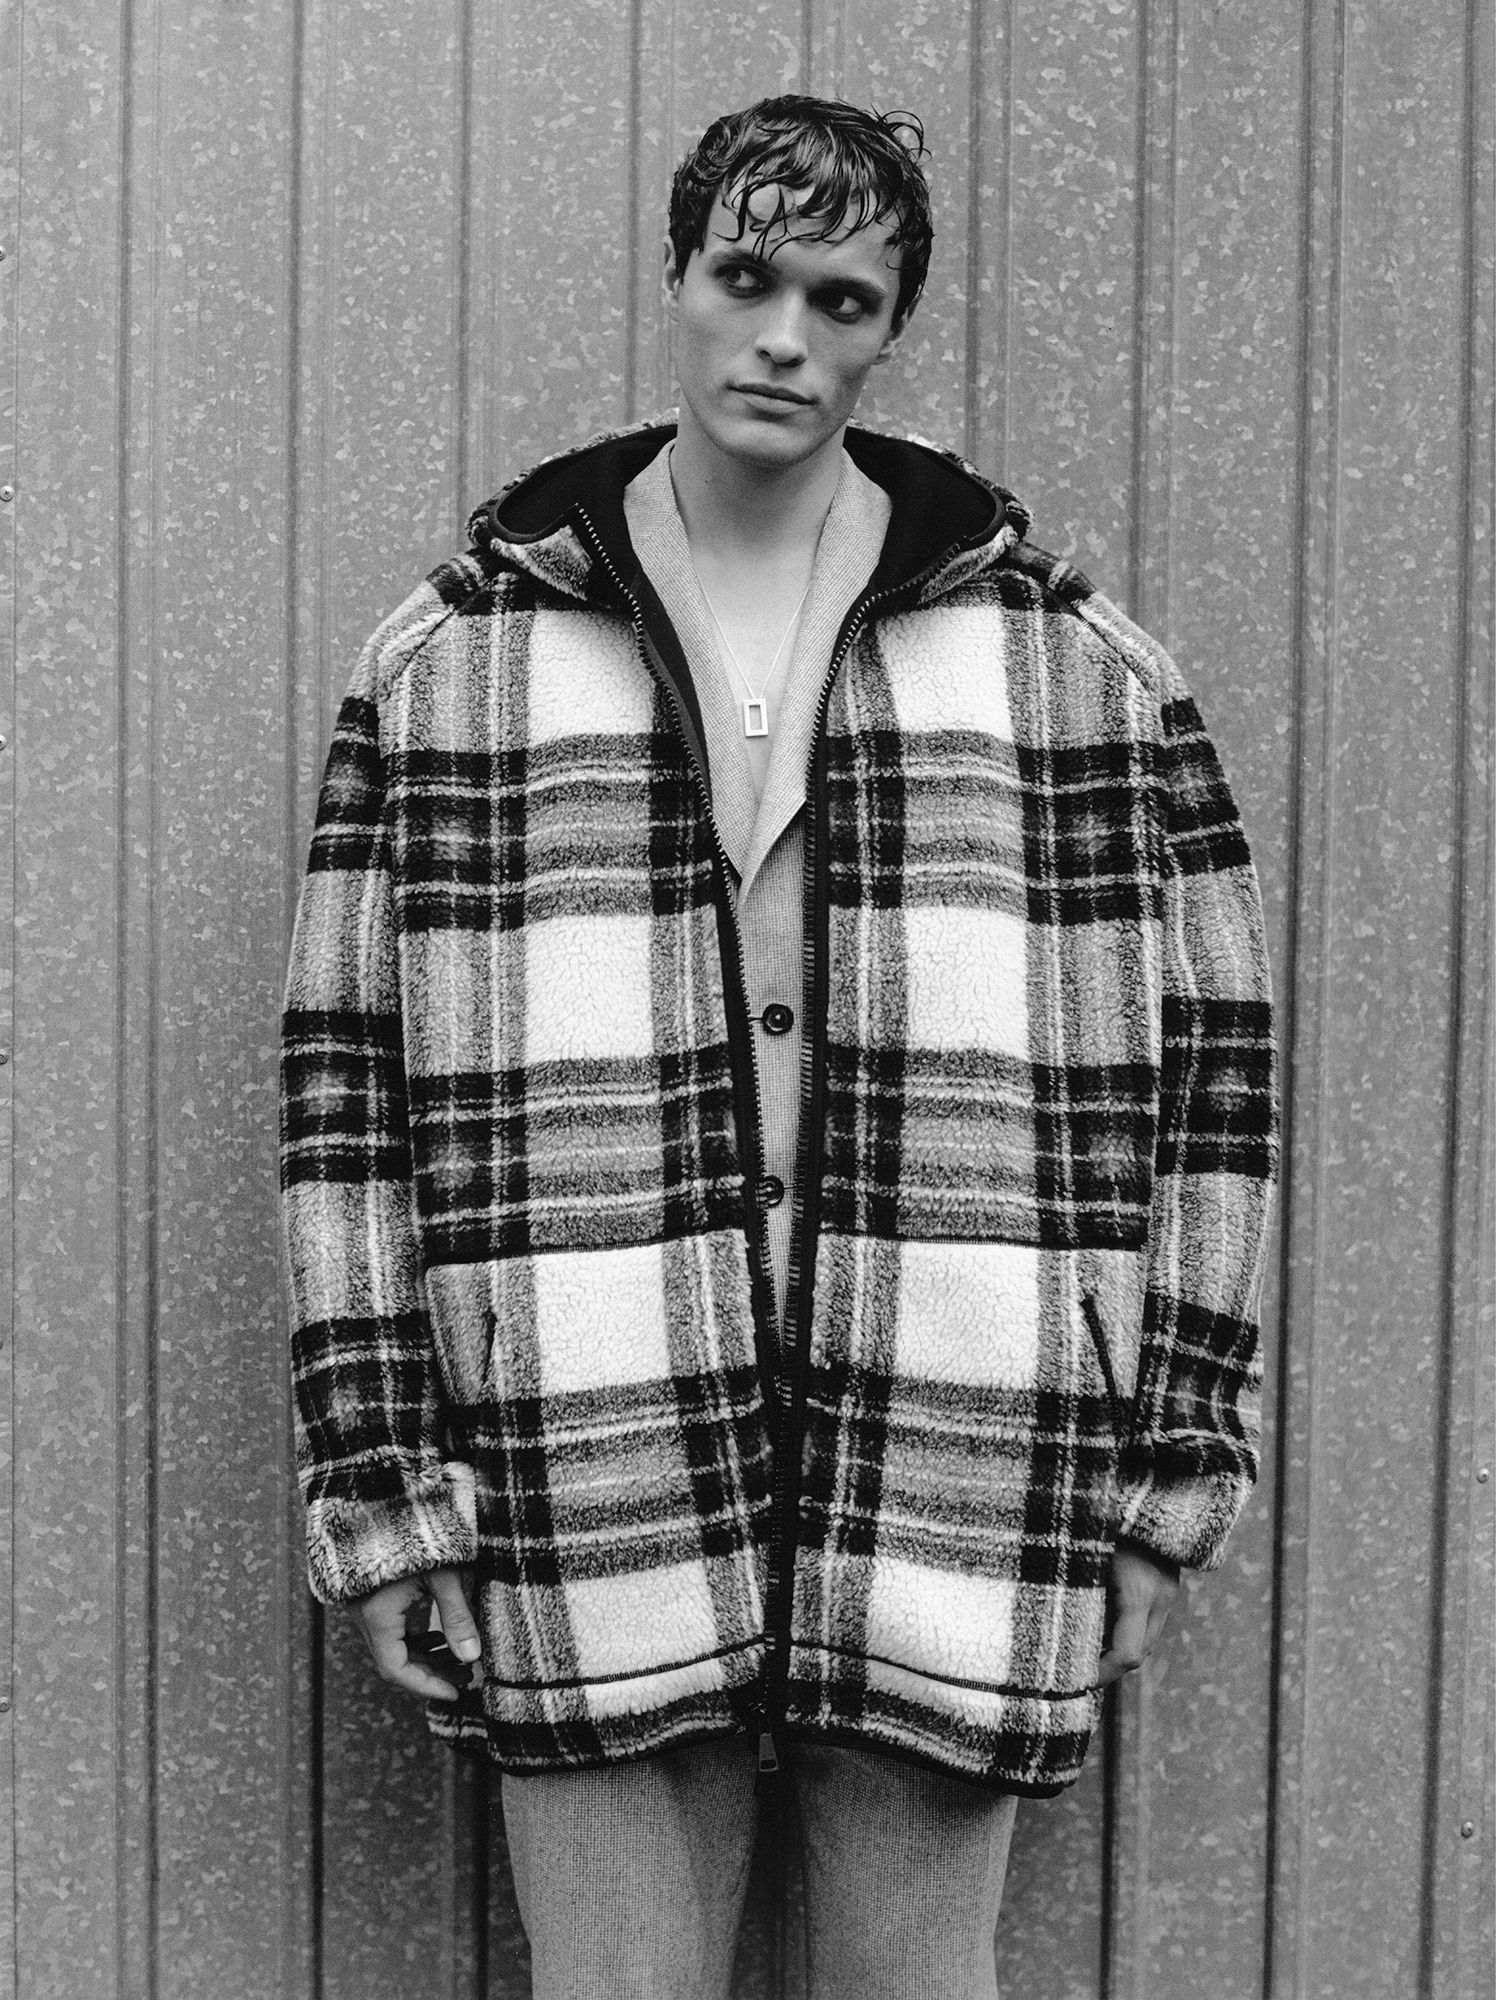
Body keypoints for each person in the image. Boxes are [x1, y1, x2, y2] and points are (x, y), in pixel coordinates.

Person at [280, 94, 1276, 2000]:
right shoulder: (462, 661)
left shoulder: (1077, 675)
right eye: (747, 278)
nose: (786, 340)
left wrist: (1166, 1480)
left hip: (961, 1462)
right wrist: (385, 1486)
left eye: (844, 295)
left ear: (894, 324)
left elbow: (1214, 1091)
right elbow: (349, 1100)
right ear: (678, 278)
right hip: (585, 1450)